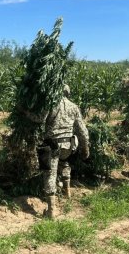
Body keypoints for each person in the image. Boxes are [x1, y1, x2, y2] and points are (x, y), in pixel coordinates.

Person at [23, 85, 90, 218]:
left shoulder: (50, 104)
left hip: (52, 145)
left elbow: (39, 119)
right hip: (68, 145)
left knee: (50, 173)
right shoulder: (74, 106)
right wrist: (85, 147)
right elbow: (82, 130)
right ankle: (67, 192)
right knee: (64, 162)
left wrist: (25, 112)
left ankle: (51, 210)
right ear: (67, 93)